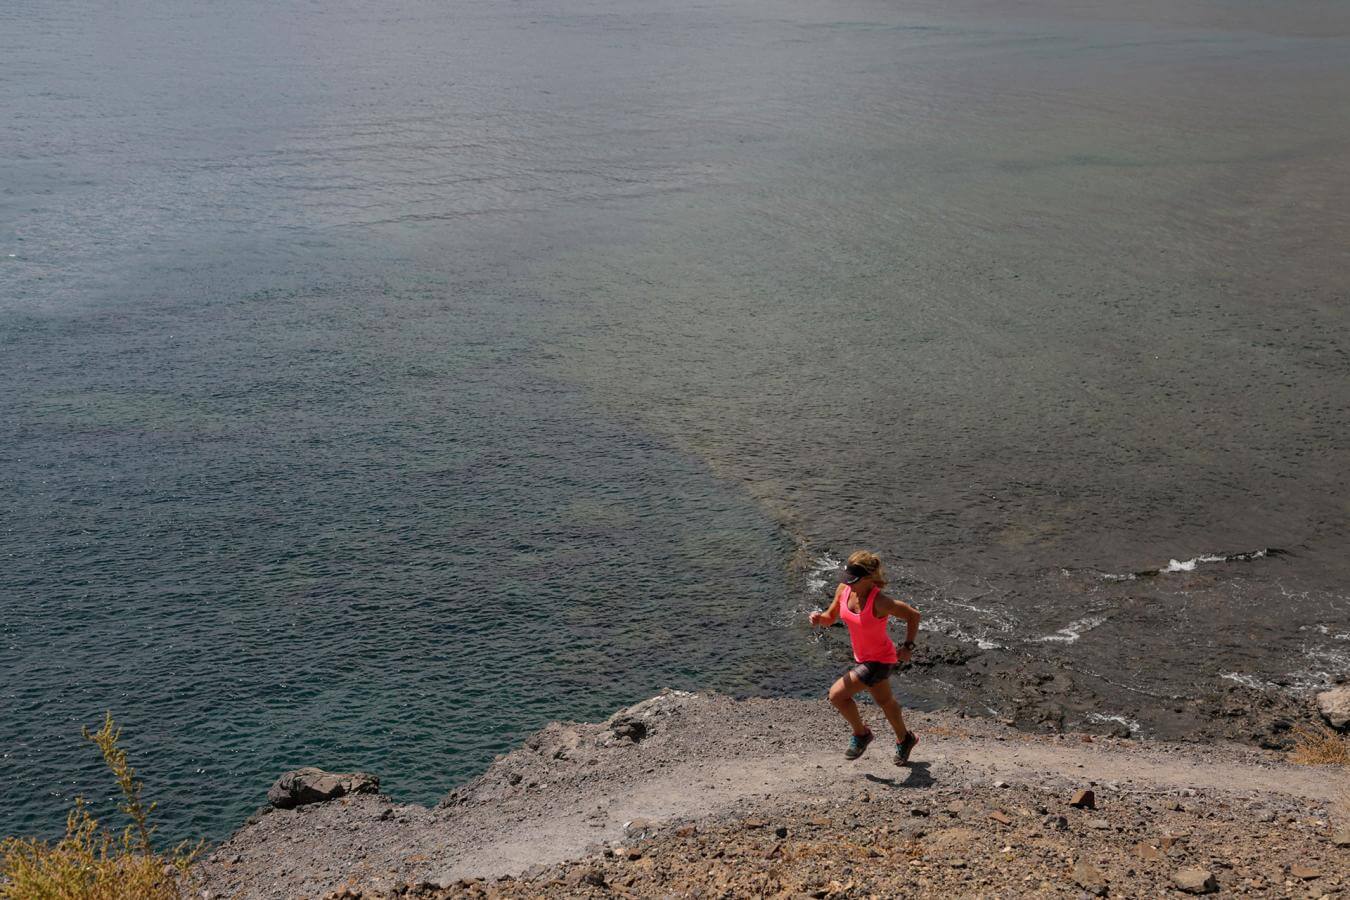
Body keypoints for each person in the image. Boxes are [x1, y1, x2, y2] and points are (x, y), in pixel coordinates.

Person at [809, 550, 921, 765]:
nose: (848, 584)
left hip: (880, 659)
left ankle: (861, 735)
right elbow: (829, 618)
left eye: (853, 580)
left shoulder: (880, 601)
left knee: (837, 696)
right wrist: (817, 618)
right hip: (862, 657)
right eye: (847, 579)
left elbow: (913, 615)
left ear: (869, 579)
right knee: (885, 701)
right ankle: (905, 739)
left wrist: (908, 646)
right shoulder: (844, 590)